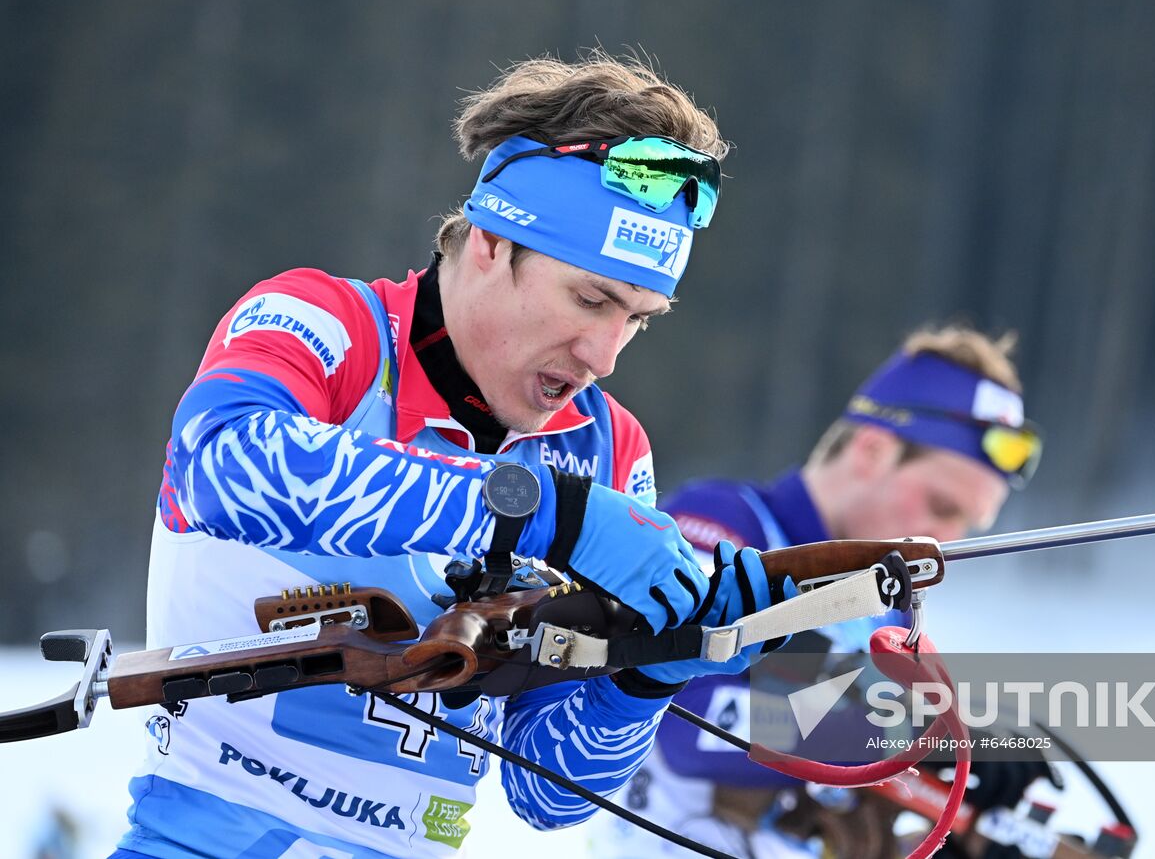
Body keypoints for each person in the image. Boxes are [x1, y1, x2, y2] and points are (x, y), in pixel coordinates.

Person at [111, 53, 791, 859]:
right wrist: (539, 512)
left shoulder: (609, 449)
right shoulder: (327, 325)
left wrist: (653, 666)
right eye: (591, 298)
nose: (606, 354)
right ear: (493, 243)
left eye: (640, 318)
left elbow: (545, 789)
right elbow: (226, 466)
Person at [596, 326, 1047, 859]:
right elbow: (688, 717)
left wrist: (945, 831)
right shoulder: (723, 526)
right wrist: (914, 732)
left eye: (968, 525)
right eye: (942, 508)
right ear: (872, 451)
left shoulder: (892, 607)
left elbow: (837, 799)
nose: (945, 542)